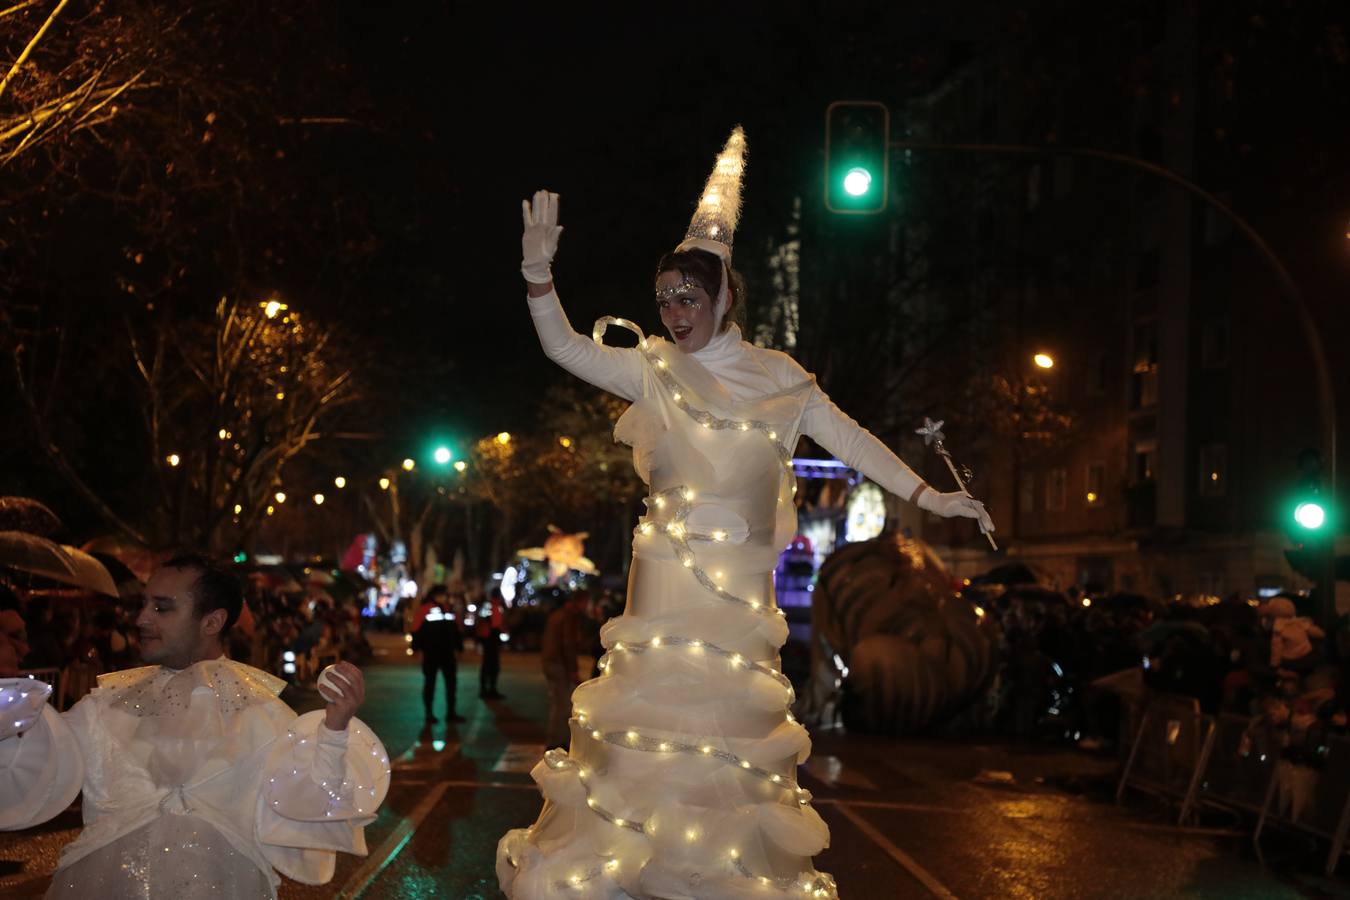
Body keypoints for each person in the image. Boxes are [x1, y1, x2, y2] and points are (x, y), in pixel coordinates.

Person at [497, 128, 993, 899]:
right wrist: (537, 274)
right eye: (663, 298)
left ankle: (707, 877)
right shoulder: (654, 371)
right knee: (646, 732)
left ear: (725, 294)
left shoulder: (780, 379)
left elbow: (854, 440)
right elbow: (565, 347)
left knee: (725, 747)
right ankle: (628, 869)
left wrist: (929, 496)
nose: (672, 311)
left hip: (736, 598)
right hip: (664, 585)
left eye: (686, 295)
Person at [0, 552, 389, 899]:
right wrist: (10, 704)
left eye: (162, 608)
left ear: (212, 621)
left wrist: (335, 730)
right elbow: (35, 763)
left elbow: (308, 805)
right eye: (145, 604)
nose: (141, 618)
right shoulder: (103, 705)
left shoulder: (265, 715)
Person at [410, 585, 465, 723]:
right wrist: (416, 649)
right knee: (430, 684)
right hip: (431, 653)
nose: (444, 597)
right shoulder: (425, 609)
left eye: (445, 594)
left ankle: (451, 713)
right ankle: (429, 714)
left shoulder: (449, 609)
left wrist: (459, 647)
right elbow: (416, 630)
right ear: (434, 595)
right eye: (441, 594)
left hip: (447, 653)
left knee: (451, 684)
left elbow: (456, 630)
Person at [539, 591, 586, 749]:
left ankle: (556, 740)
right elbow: (568, 645)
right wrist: (573, 670)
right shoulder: (569, 618)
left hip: (550, 661)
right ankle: (555, 743)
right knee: (562, 705)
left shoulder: (557, 615)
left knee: (558, 703)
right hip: (558, 664)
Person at [476, 590, 505, 700]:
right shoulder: (489, 606)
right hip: (488, 637)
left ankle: (491, 689)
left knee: (493, 665)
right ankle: (485, 690)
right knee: (488, 665)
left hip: (493, 637)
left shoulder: (497, 607)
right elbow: (483, 621)